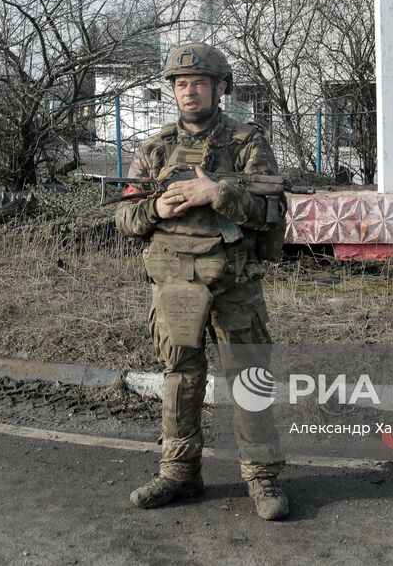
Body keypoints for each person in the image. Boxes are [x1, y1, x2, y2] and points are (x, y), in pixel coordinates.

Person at [114, 42, 289, 521]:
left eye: (199, 83)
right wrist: (155, 208)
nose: (189, 92)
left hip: (234, 283)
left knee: (249, 378)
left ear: (220, 88)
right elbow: (124, 217)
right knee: (180, 379)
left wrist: (218, 193)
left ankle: (261, 476)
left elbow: (272, 210)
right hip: (175, 284)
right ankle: (179, 472)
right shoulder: (153, 149)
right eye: (181, 84)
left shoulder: (246, 143)